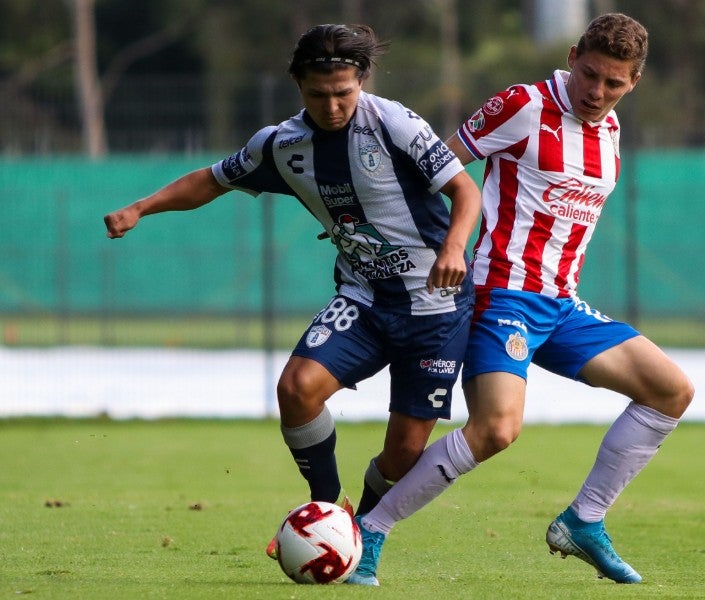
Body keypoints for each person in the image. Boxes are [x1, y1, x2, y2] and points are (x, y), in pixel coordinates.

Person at [103, 24, 482, 560]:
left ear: (361, 82)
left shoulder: (394, 123)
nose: (332, 106)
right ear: (298, 85)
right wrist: (141, 207)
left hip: (435, 307)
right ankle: (326, 512)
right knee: (296, 389)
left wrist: (453, 246)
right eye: (318, 94)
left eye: (344, 92)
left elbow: (465, 191)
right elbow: (211, 180)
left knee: (403, 452)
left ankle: (360, 528)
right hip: (365, 297)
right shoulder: (280, 145)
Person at [347, 13, 694, 586]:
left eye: (614, 83)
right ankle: (372, 532)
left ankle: (584, 521)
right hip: (500, 293)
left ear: (635, 83)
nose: (597, 92)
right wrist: (410, 239)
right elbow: (436, 165)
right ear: (573, 54)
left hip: (560, 304)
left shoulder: (608, 130)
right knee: (497, 430)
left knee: (671, 391)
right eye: (589, 74)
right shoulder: (523, 105)